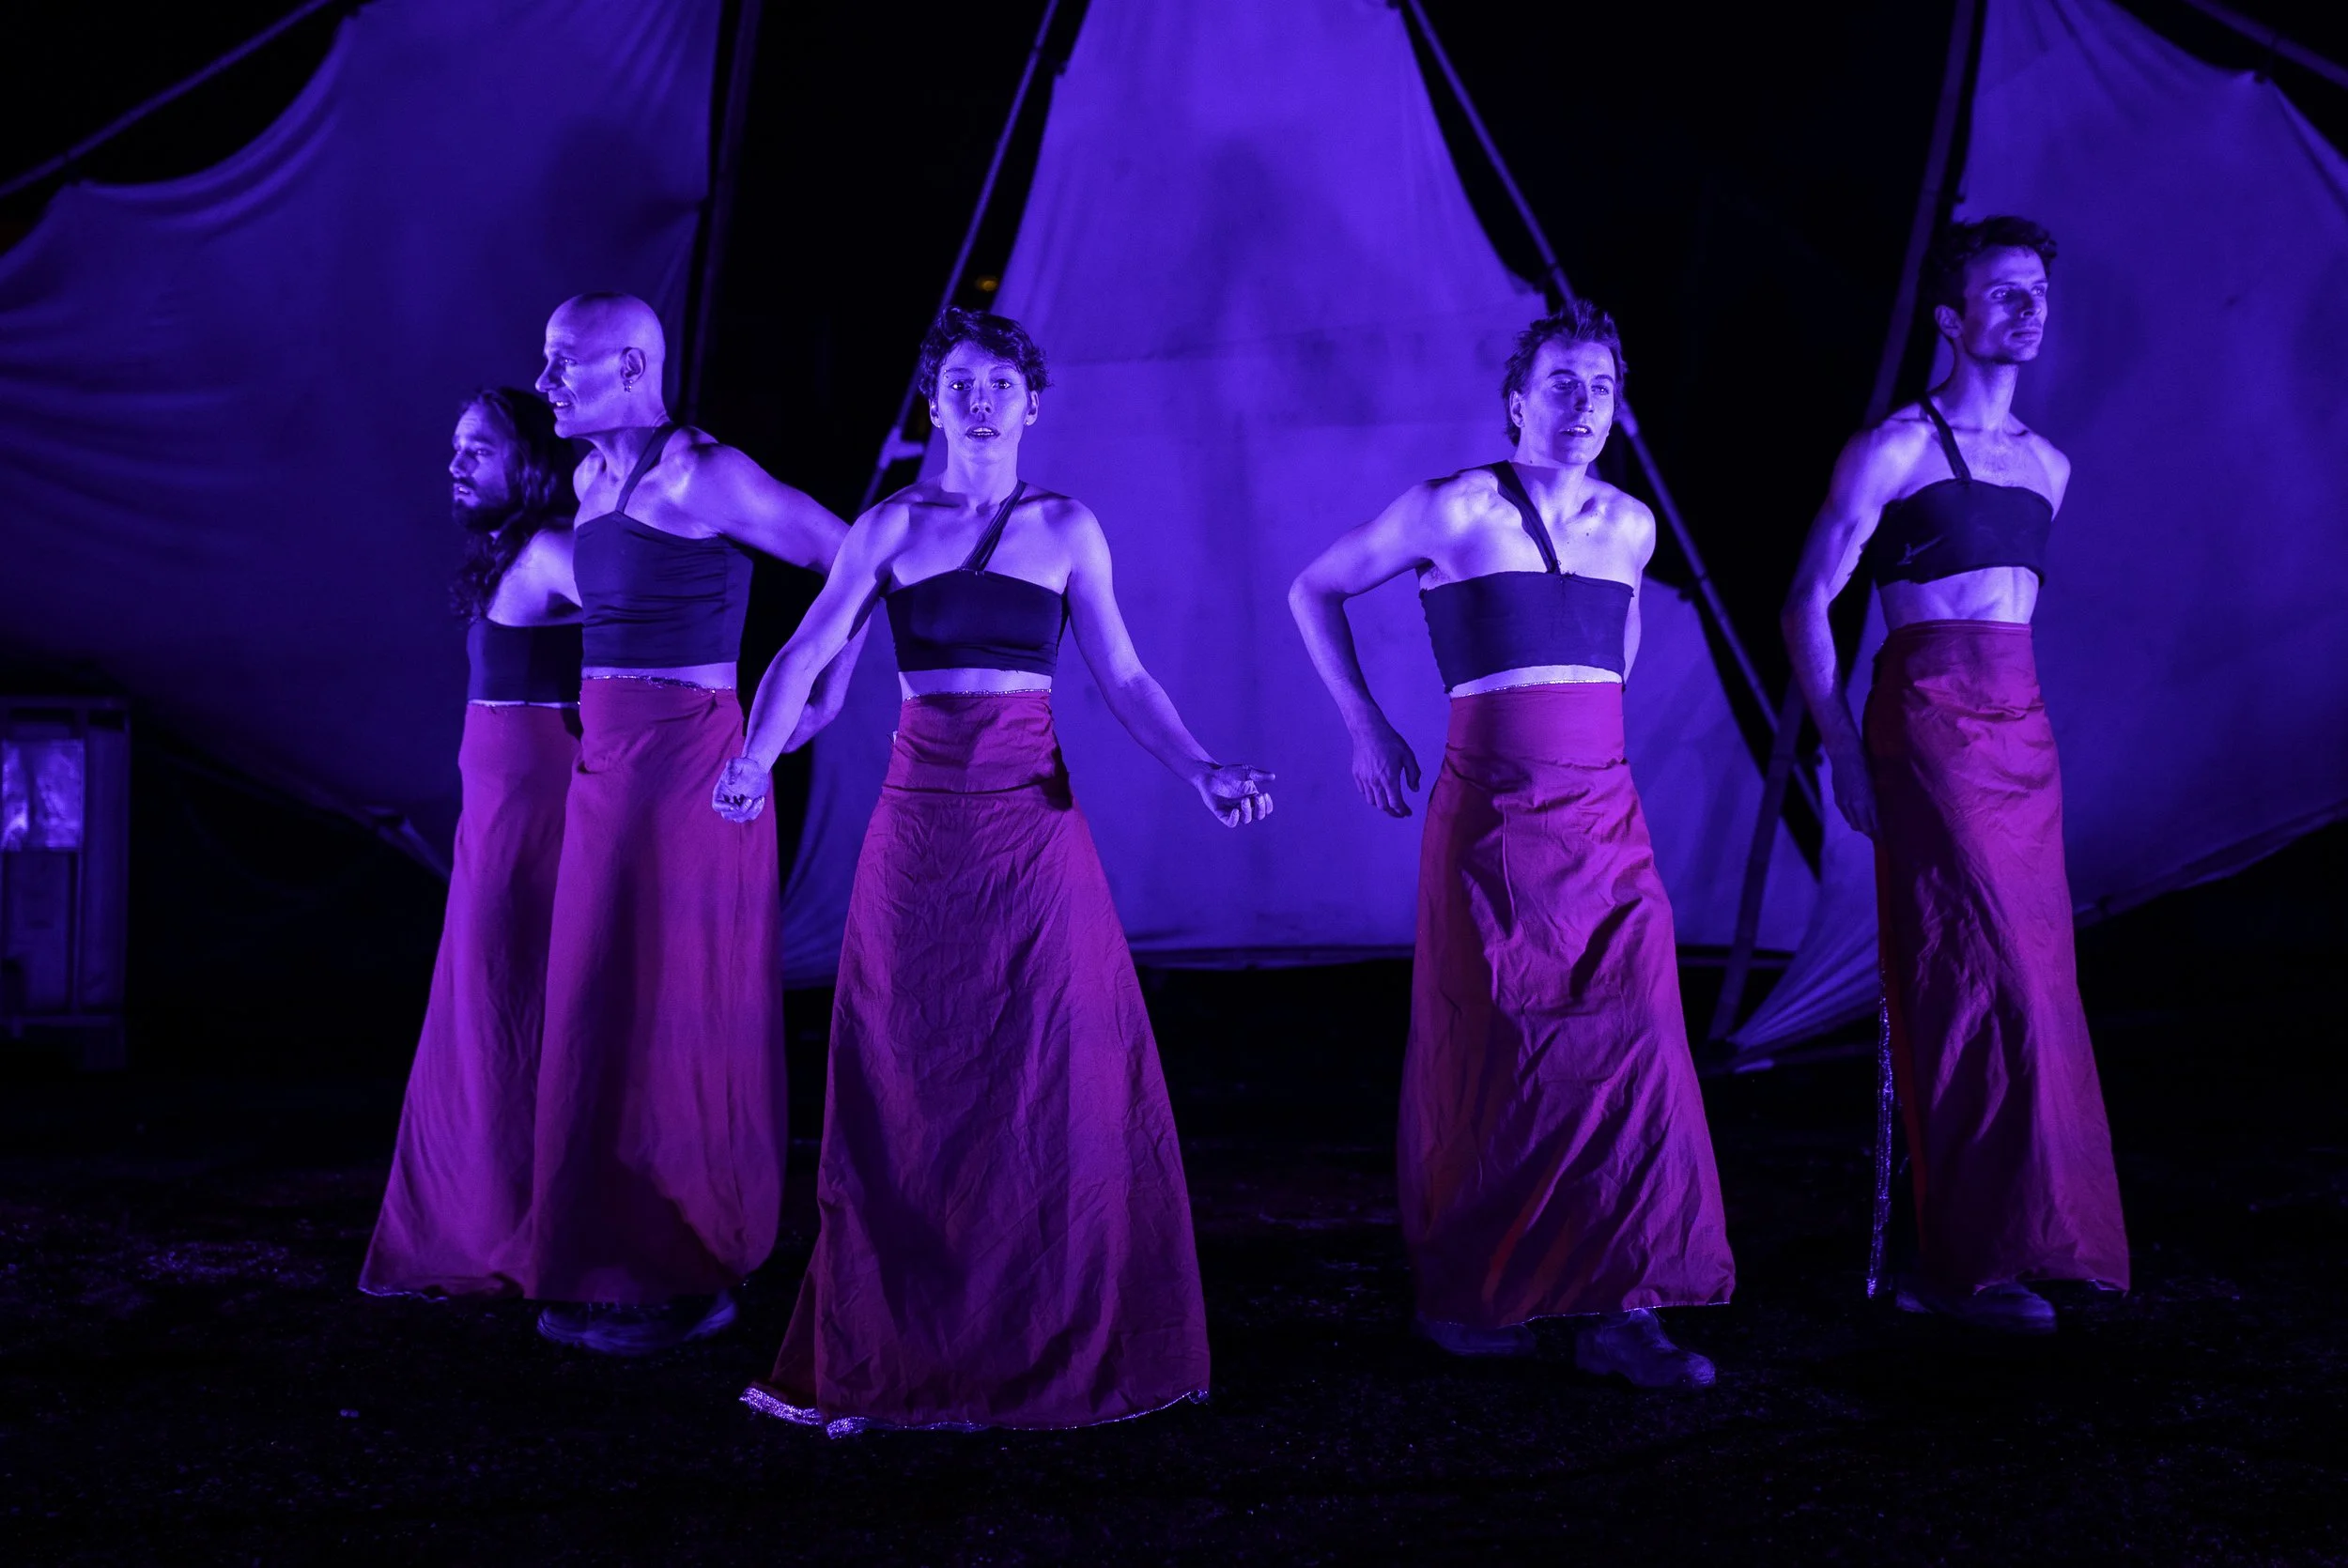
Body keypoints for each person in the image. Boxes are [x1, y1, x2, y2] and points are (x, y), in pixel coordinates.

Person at [717, 308, 1272, 1433]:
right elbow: (806, 649)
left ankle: (1054, 1323)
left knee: (1051, 1068)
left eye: (999, 384)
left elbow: (1124, 676)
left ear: (1030, 404)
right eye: (959, 383)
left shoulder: (1065, 526)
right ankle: (909, 1331)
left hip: (1030, 825)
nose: (979, 401)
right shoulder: (889, 527)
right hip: (918, 829)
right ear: (936, 403)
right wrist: (750, 755)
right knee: (909, 1068)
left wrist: (1203, 767)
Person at [1289, 300, 1731, 1390]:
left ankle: (1622, 1307)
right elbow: (1315, 586)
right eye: (1564, 385)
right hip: (1491, 813)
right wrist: (1367, 725)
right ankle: (1479, 1291)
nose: (1584, 405)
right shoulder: (1455, 505)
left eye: (1602, 387)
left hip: (1603, 814)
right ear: (1516, 401)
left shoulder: (1629, 526)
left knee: (1633, 1052)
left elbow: (1616, 648)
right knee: (1497, 1047)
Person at [1781, 217, 2128, 1334]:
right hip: (1927, 723)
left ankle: (2032, 1234)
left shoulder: (2049, 465)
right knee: (1978, 976)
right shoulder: (1892, 447)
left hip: (2021, 732)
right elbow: (1803, 604)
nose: (2028, 308)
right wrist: (1838, 746)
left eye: (2037, 291)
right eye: (2003, 293)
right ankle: (1967, 1260)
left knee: (2040, 977)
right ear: (1949, 319)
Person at [522, 293, 857, 1355]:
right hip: (605, 760)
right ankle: (602, 1251)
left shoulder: (703, 472)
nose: (544, 385)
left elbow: (853, 558)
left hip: (691, 761)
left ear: (628, 364)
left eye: (561, 364)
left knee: (679, 1001)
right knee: (597, 1000)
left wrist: (821, 696)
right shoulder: (587, 480)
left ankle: (691, 1262)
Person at [362, 388, 581, 1297]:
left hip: (545, 820)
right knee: (492, 1008)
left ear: (529, 461)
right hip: (498, 816)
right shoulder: (506, 555)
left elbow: (658, 621)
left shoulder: (553, 550)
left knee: (519, 1006)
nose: (456, 463)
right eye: (454, 446)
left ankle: (537, 1226)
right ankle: (493, 1216)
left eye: (478, 449)